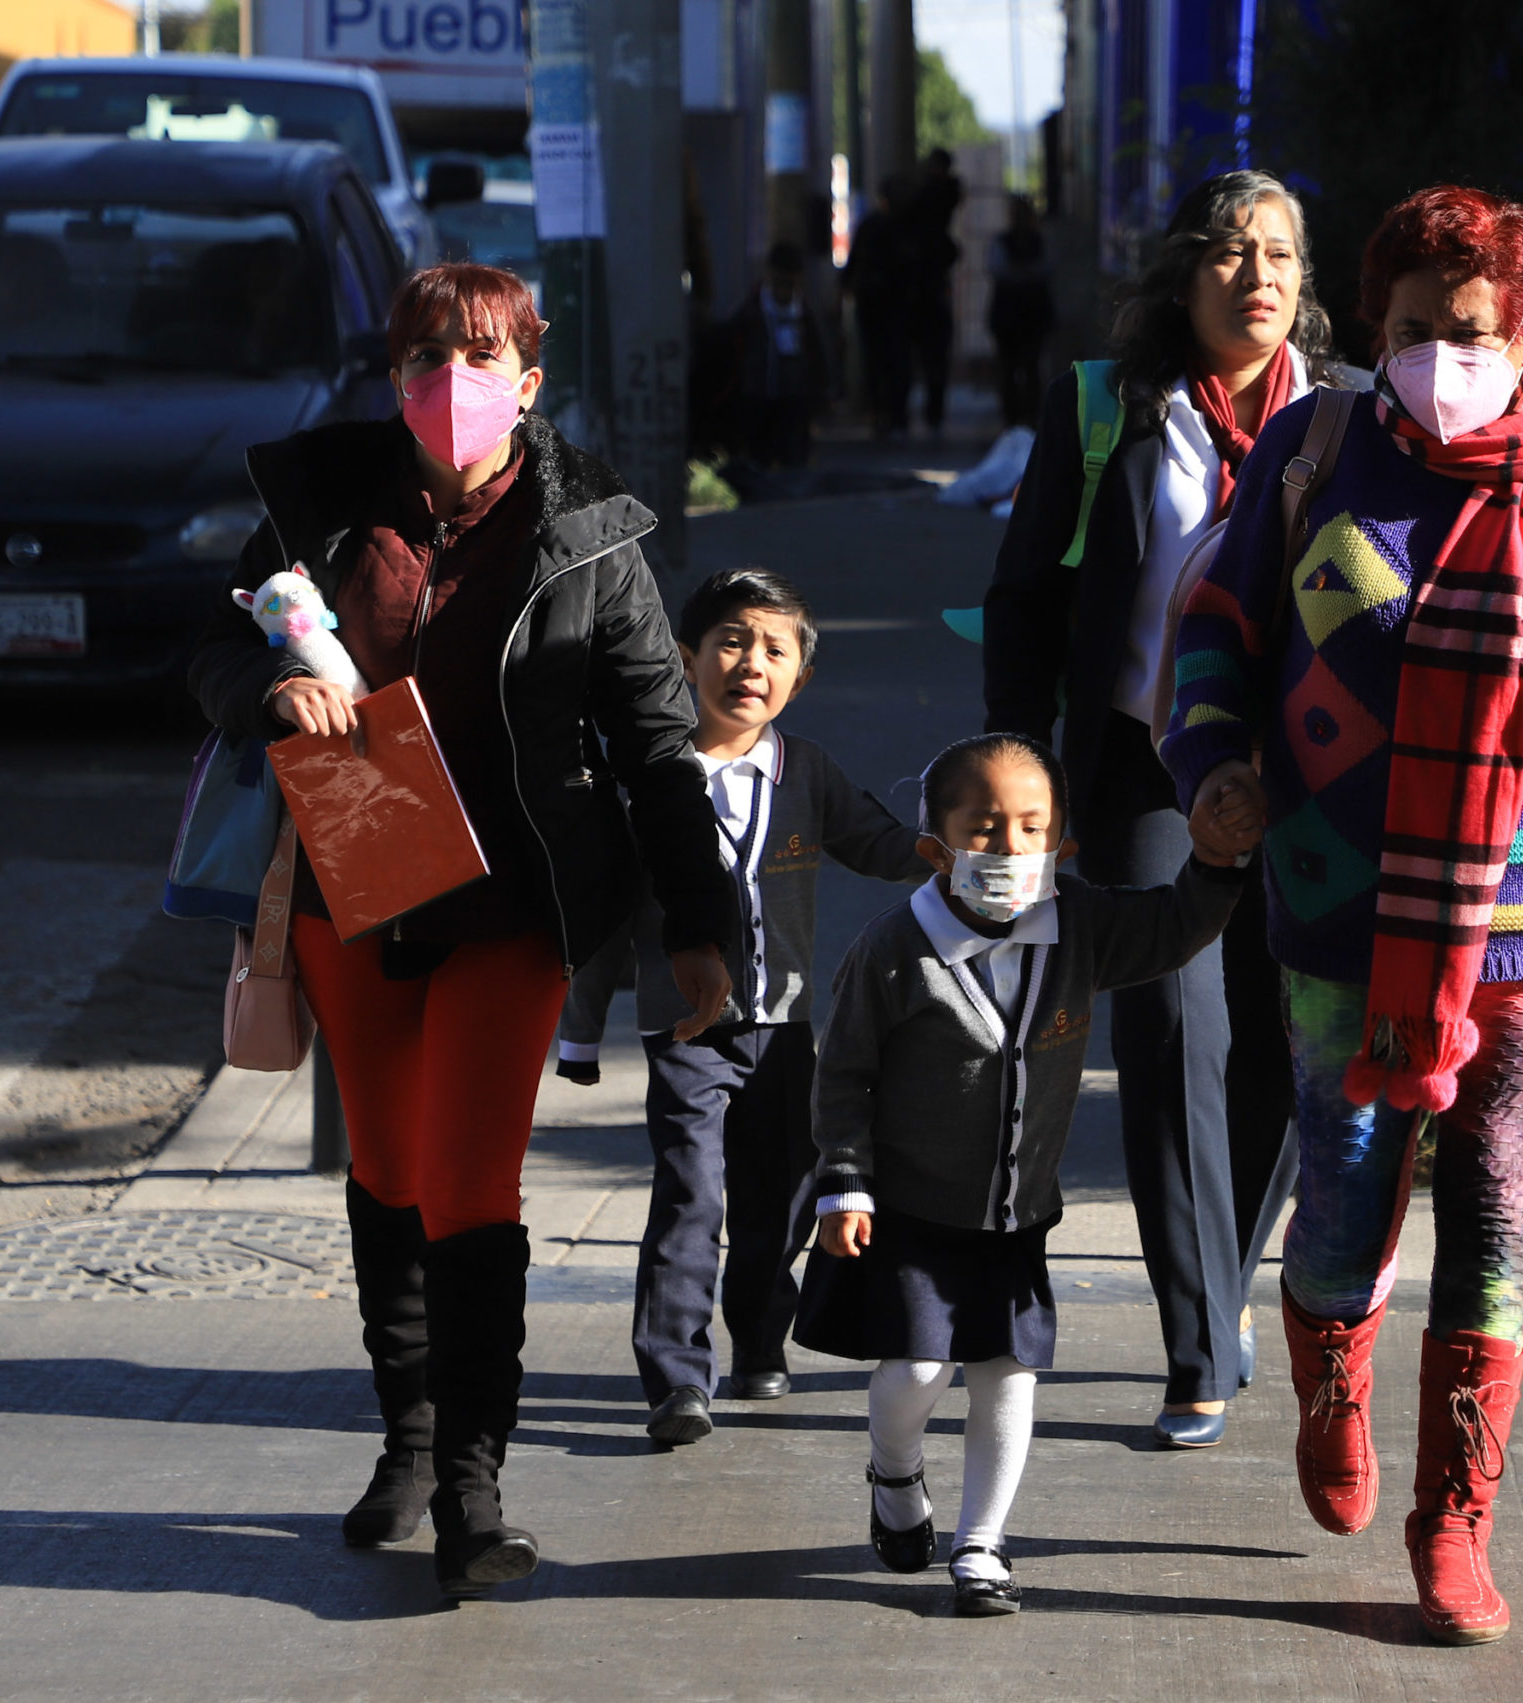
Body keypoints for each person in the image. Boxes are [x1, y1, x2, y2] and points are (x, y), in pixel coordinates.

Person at [1161, 186, 1523, 1644]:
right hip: (1336, 908)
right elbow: (1214, 626)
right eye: (1416, 327)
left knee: (1493, 1201)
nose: (1443, 352)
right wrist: (1213, 761)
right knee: (1344, 1190)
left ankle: (1456, 1518)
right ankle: (1329, 1380)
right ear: (1379, 327)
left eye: (1472, 328)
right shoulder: (1317, 455)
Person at [186, 262, 739, 1598]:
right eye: (429, 353)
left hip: (515, 895)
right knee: (385, 1164)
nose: (453, 378)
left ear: (530, 378)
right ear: (393, 374)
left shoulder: (591, 530)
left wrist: (701, 927)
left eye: (483, 354)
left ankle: (472, 1488)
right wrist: (272, 688)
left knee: (470, 1179)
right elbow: (206, 657)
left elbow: (664, 742)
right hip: (358, 873)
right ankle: (409, 1430)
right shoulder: (316, 504)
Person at [981, 169, 1343, 1448]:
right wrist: (1022, 767)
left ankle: (1227, 1277)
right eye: (1233, 254)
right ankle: (1196, 1345)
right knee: (1171, 1044)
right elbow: (1025, 597)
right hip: (1145, 770)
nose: (1257, 277)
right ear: (1186, 275)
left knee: (1283, 1044)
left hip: (1312, 775)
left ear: (1306, 288)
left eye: (1281, 257)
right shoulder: (1103, 409)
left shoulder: (1347, 425)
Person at [793, 733, 1261, 1615]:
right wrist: (844, 1180)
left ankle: (981, 1544)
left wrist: (1214, 858)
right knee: (918, 1374)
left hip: (1014, 1217)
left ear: (1064, 845)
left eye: (1032, 828)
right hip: (911, 1213)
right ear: (937, 848)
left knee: (1009, 1374)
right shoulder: (894, 951)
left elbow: (1171, 927)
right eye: (985, 829)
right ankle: (895, 1473)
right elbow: (843, 1074)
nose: (1010, 849)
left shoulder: (1077, 925)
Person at [552, 568, 924, 1441]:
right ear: (684, 659)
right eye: (729, 640)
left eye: (774, 648)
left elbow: (874, 841)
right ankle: (677, 1376)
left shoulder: (807, 771)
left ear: (799, 677)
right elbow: (601, 920)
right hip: (684, 1029)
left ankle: (760, 1341)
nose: (750, 662)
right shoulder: (649, 779)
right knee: (691, 1193)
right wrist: (577, 1032)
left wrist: (941, 849)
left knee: (783, 1198)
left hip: (786, 1027)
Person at [731, 242, 828, 470]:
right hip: (760, 397)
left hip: (794, 399)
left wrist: (820, 392)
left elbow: (816, 354)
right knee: (761, 456)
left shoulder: (803, 312)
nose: (785, 289)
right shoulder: (753, 310)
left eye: (790, 282)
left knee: (793, 457)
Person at [843, 176, 917, 438]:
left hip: (884, 304)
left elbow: (854, 264)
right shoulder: (895, 227)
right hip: (884, 304)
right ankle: (887, 414)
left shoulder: (883, 226)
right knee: (889, 362)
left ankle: (886, 414)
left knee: (884, 362)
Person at [906, 148, 964, 436]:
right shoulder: (936, 199)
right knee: (929, 356)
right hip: (926, 290)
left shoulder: (932, 197)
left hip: (925, 290)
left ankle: (929, 413)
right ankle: (929, 413)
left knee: (930, 356)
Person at [984, 195, 1055, 428]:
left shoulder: (1038, 242)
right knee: (1009, 369)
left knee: (1030, 368)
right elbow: (998, 269)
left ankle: (1029, 417)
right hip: (1009, 316)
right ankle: (1013, 417)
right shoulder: (1004, 242)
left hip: (1031, 315)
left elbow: (1044, 269)